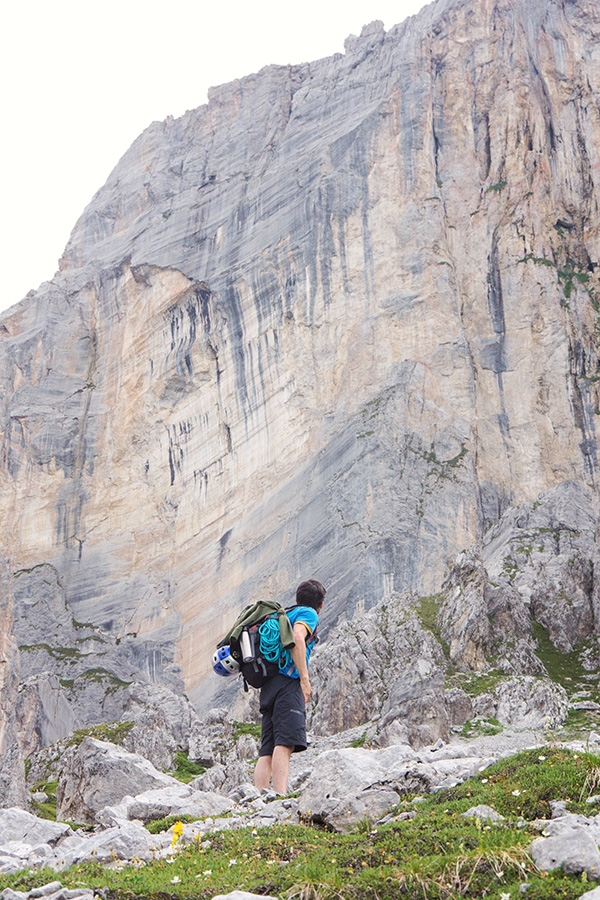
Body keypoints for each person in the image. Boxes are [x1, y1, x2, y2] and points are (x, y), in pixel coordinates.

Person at [253, 578, 326, 794]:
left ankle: (258, 796)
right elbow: (297, 636)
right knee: (285, 742)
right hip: (288, 683)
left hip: (269, 685)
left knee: (267, 748)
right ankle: (279, 795)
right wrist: (304, 679)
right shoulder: (308, 615)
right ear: (320, 604)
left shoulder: (284, 614)